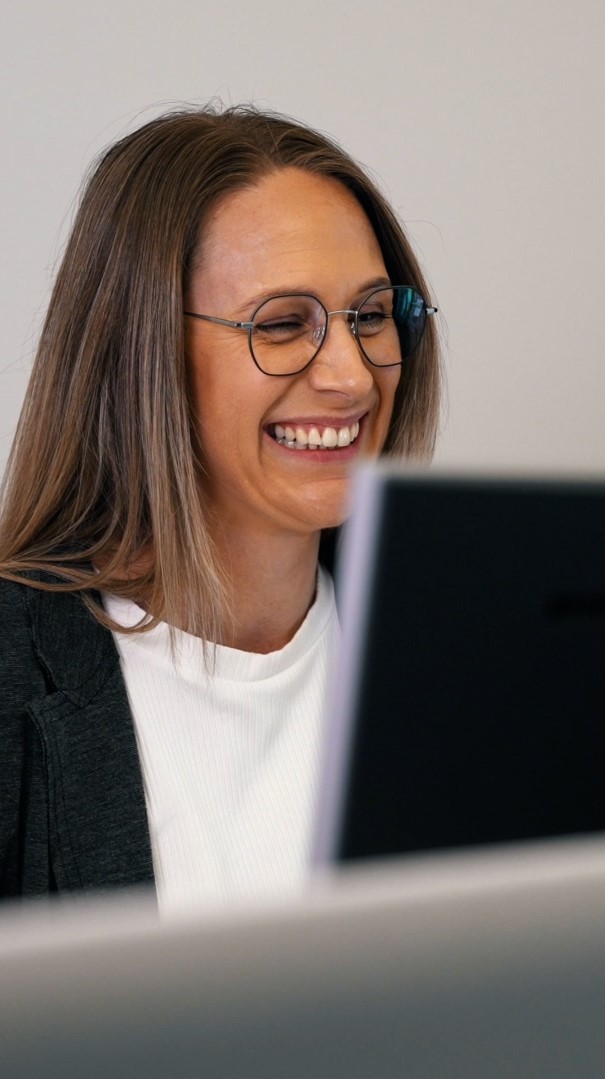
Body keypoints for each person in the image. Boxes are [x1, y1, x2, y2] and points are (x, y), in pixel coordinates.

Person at [0, 104, 440, 911]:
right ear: (140, 354)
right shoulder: (12, 674)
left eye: (371, 315)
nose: (350, 375)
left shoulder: (460, 653)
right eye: (281, 325)